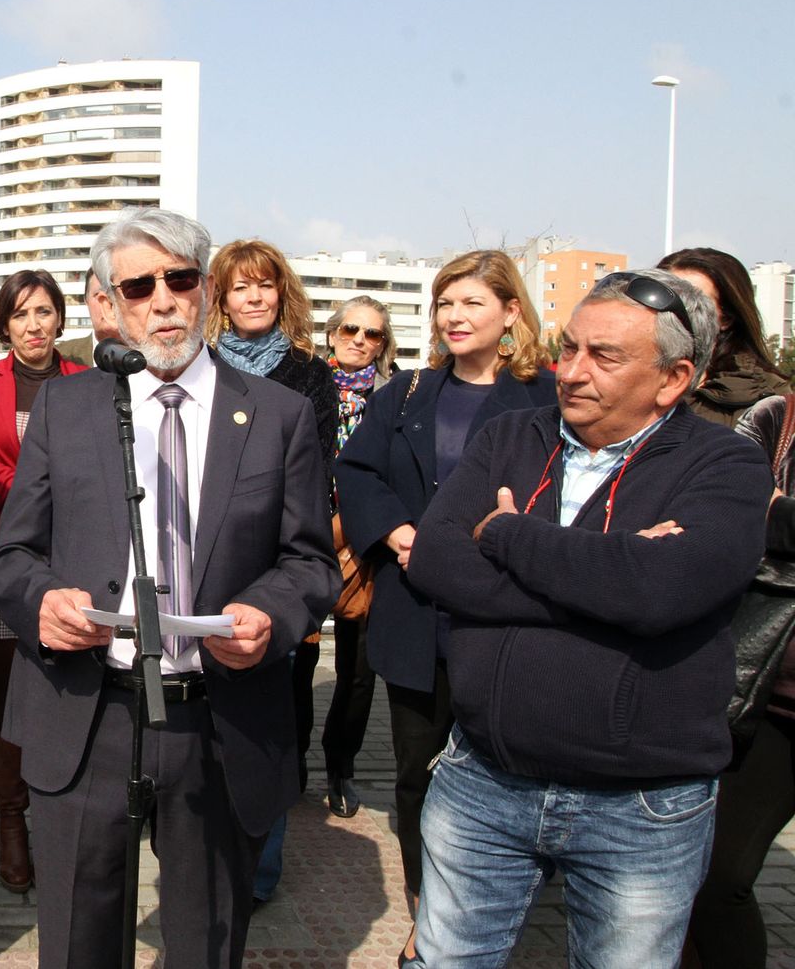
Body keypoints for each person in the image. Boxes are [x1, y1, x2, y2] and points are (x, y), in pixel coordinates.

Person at [0, 208, 338, 968]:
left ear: (206, 290)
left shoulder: (279, 415)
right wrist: (42, 603)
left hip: (218, 717)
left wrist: (271, 617)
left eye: (180, 279)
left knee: (206, 946)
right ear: (109, 303)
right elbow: (10, 555)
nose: (163, 300)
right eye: (139, 285)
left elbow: (312, 563)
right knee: (80, 943)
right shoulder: (67, 406)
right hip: (88, 712)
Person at [405, 269, 770, 965]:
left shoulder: (726, 465)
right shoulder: (512, 435)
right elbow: (435, 563)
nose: (569, 372)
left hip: (641, 807)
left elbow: (660, 593)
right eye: (567, 347)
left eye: (602, 356)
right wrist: (613, 575)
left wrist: (508, 537)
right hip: (482, 779)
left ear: (673, 378)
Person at [334, 249, 555, 961]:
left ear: (511, 313)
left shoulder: (546, 398)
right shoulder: (408, 393)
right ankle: (430, 918)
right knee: (414, 774)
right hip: (412, 609)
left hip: (503, 615)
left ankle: (484, 913)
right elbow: (356, 468)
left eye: (472, 304)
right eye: (445, 304)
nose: (455, 317)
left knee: (501, 776)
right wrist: (399, 530)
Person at [200, 237, 337, 901]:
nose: (253, 297)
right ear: (220, 298)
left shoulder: (309, 375)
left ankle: (258, 870)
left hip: (270, 577)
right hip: (198, 570)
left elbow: (317, 480)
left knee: (264, 732)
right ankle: (197, 857)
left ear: (281, 293)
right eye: (239, 287)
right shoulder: (196, 365)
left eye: (264, 285)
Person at [0, 268, 88, 893]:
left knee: (67, 682)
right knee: (5, 687)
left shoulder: (87, 383)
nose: (33, 325)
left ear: (60, 318)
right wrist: (37, 492)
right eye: (20, 315)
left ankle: (63, 813)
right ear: (3, 325)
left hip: (71, 555)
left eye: (43, 312)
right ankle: (12, 821)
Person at [686, 391, 795, 967]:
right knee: (717, 877)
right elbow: (734, 512)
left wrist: (782, 513)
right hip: (770, 695)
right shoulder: (776, 418)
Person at [318, 296, 399, 819]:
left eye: (372, 334)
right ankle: (287, 769)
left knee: (358, 671)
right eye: (351, 329)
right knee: (296, 662)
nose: (359, 341)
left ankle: (340, 767)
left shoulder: (399, 397)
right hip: (306, 538)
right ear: (331, 334)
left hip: (367, 545)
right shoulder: (307, 387)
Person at [657, 247, 790, 427]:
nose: (671, 312)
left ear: (726, 318)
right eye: (663, 297)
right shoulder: (618, 376)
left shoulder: (769, 400)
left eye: (693, 303)